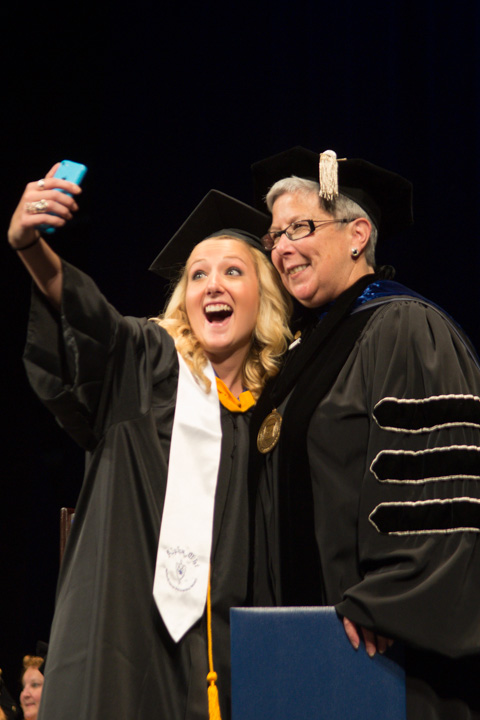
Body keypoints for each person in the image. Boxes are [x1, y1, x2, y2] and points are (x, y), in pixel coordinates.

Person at [8, 164, 292, 720]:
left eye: (233, 271)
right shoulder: (148, 368)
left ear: (264, 297)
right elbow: (93, 322)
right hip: (128, 646)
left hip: (235, 660)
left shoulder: (276, 412)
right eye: (197, 275)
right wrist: (32, 250)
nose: (212, 285)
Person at [249, 146, 480, 719]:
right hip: (302, 647)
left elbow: (437, 489)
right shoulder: (303, 351)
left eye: (299, 227)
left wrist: (387, 603)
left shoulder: (404, 326)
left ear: (357, 234)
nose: (281, 248)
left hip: (382, 652)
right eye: (273, 236)